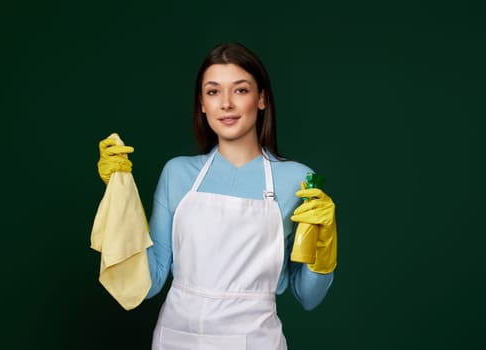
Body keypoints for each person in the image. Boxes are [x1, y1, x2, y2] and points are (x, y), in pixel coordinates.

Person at [96, 42, 338, 350]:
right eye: (213, 92)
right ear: (202, 103)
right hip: (176, 339)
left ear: (261, 98)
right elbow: (151, 281)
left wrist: (324, 245)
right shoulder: (177, 174)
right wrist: (118, 194)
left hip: (255, 342)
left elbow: (309, 297)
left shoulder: (297, 181)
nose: (226, 104)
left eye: (240, 90)